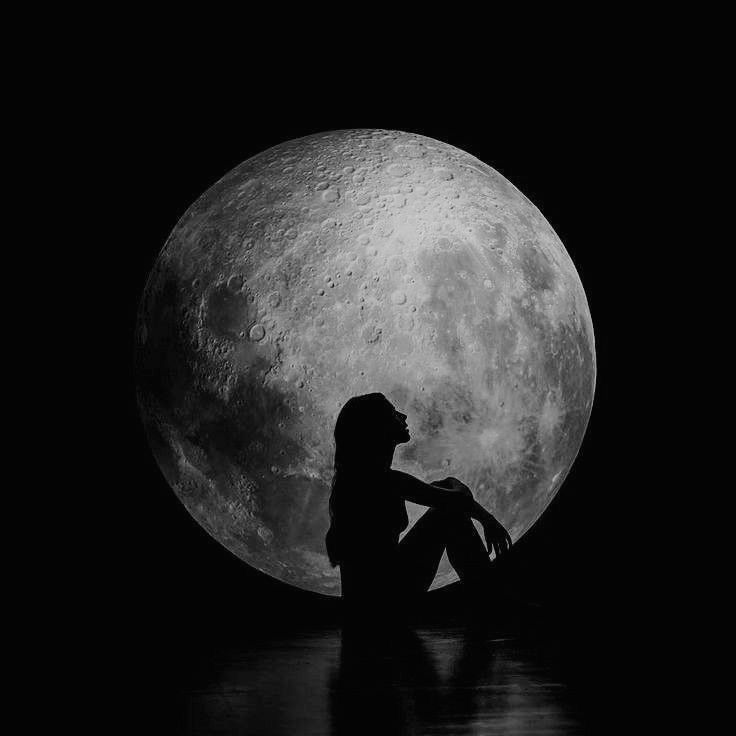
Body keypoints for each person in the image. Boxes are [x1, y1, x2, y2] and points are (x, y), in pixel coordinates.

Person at [325, 393, 512, 617]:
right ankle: (492, 603)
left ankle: (490, 601)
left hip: (366, 608)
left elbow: (443, 490)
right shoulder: (386, 481)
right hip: (381, 609)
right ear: (378, 428)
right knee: (451, 516)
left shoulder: (366, 480)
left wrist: (484, 516)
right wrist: (486, 519)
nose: (403, 416)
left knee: (448, 509)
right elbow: (458, 499)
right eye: (393, 413)